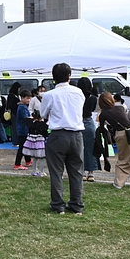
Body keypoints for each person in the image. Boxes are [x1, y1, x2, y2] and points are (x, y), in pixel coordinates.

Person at [39, 63, 86, 214]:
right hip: (77, 135)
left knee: (56, 172)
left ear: (53, 78)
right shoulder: (79, 92)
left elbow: (43, 114)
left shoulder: (50, 95)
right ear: (69, 76)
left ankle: (58, 205)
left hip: (58, 134)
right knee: (77, 172)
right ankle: (76, 204)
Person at [98, 92, 130, 189]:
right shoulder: (120, 108)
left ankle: (119, 182)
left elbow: (101, 128)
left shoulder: (103, 113)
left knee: (123, 159)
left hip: (121, 134)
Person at [77, 77, 100, 183]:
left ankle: (80, 172)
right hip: (89, 123)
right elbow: (92, 109)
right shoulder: (93, 98)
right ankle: (91, 173)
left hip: (78, 122)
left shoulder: (77, 97)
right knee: (90, 148)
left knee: (79, 148)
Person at [12, 89, 34, 170]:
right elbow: (26, 118)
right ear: (22, 98)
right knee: (22, 147)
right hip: (22, 130)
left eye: (30, 98)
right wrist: (33, 118)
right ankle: (17, 164)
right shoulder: (22, 108)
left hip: (23, 130)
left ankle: (28, 160)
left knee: (25, 145)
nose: (29, 100)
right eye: (27, 98)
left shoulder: (23, 106)